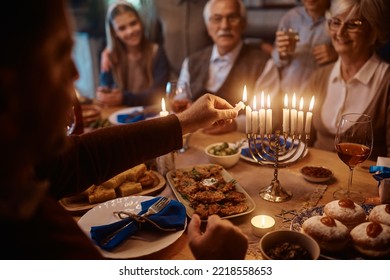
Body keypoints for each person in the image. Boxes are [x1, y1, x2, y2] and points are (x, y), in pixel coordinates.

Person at [0, 0, 248, 259]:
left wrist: (183, 122)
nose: (75, 73)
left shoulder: (25, 175)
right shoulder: (36, 241)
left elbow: (79, 158)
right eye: (61, 54)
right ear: (8, 88)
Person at [303, 0, 390, 159]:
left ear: (373, 33)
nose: (340, 32)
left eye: (352, 25)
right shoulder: (319, 77)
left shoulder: (387, 83)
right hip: (313, 175)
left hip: (364, 182)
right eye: (336, 22)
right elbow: (302, 141)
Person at [178, 0, 281, 134]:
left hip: (237, 145)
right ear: (208, 26)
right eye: (217, 19)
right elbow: (179, 102)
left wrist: (235, 124)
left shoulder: (264, 64)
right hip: (194, 140)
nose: (225, 26)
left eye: (232, 18)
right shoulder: (191, 62)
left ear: (243, 24)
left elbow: (268, 117)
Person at [96, 1, 170, 107]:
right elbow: (106, 86)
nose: (130, 31)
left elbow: (159, 92)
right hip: (119, 116)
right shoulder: (108, 57)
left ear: (140, 22)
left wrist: (124, 98)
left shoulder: (156, 52)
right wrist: (104, 94)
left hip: (150, 113)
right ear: (114, 33)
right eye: (122, 28)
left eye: (133, 23)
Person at [272, 0, 338, 94]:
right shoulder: (291, 17)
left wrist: (336, 56)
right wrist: (282, 53)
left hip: (321, 92)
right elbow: (276, 60)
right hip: (289, 91)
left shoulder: (338, 19)